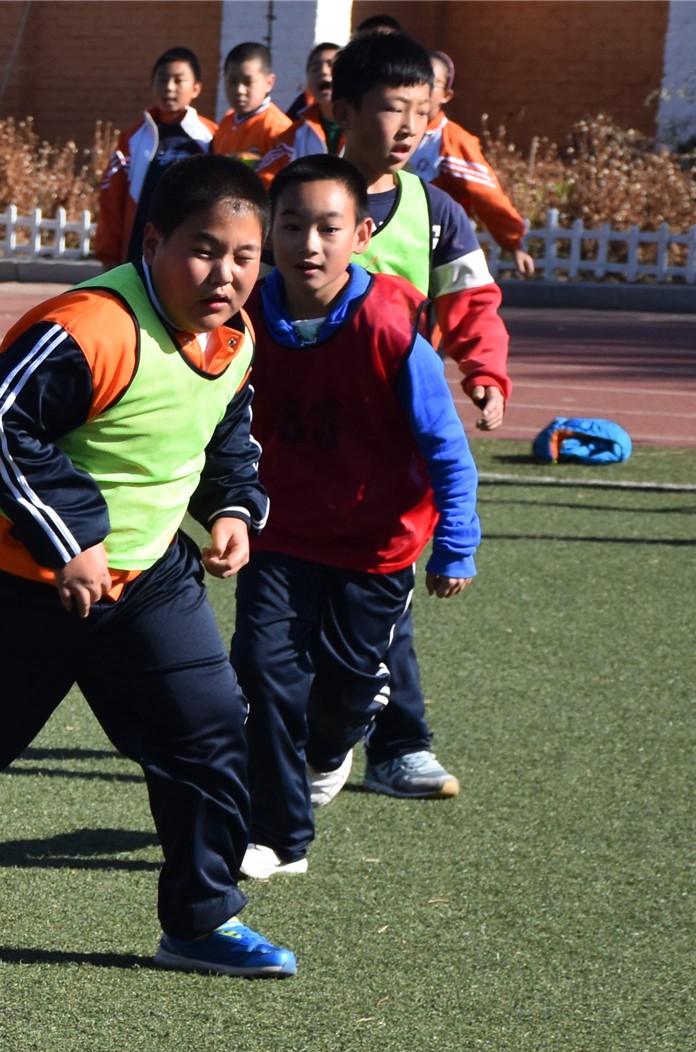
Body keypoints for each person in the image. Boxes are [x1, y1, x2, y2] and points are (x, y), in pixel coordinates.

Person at [0, 154, 294, 979]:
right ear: (153, 241)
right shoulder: (90, 328)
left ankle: (200, 921)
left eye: (244, 256)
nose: (225, 274)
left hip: (147, 580)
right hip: (0, 570)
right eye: (203, 250)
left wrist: (233, 505)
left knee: (209, 731)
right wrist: (71, 538)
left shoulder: (233, 336)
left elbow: (226, 428)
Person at [233, 155, 481, 879]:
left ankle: (335, 740)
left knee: (339, 696)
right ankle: (279, 838)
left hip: (374, 546)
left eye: (327, 228)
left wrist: (456, 543)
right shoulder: (245, 319)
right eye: (291, 226)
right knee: (260, 668)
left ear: (362, 234)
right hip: (279, 537)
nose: (309, 244)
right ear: (269, 233)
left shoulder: (390, 328)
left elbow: (445, 444)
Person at [324, 31, 510, 802]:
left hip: (392, 443)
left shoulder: (434, 212)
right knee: (292, 597)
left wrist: (485, 370)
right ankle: (302, 730)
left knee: (386, 591)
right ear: (343, 110)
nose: (409, 129)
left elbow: (472, 301)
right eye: (394, 110)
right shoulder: (296, 199)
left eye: (423, 115)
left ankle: (399, 746)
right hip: (298, 434)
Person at [407, 51, 536, 275]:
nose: (424, 88)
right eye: (418, 80)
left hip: (434, 252)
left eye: (432, 82)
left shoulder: (453, 141)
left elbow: (487, 195)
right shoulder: (391, 130)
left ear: (446, 95)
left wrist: (514, 242)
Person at [96, 48, 218, 266]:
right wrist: (109, 255)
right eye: (162, 80)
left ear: (196, 88)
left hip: (191, 257)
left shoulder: (211, 136)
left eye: (178, 80)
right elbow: (111, 197)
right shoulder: (132, 138)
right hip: (138, 254)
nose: (169, 87)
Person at [214, 43, 297, 166]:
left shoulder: (278, 129)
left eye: (248, 82)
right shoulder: (226, 122)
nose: (239, 90)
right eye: (232, 81)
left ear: (269, 82)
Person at [288, 41, 340, 129]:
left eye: (332, 65)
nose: (323, 71)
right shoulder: (296, 133)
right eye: (315, 69)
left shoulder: (366, 124)